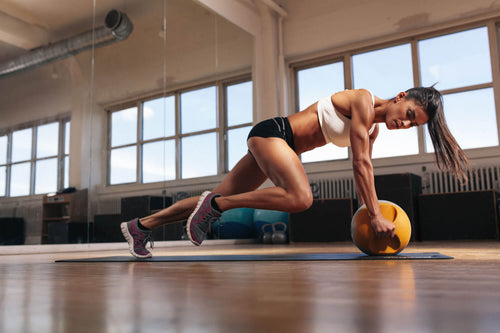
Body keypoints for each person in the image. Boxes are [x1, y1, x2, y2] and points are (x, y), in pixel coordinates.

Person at [121, 87, 470, 258]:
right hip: (274, 134)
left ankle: (140, 228)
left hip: (280, 147)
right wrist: (375, 215)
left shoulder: (372, 130)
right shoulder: (364, 102)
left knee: (210, 197)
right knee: (301, 198)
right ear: (401, 97)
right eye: (410, 114)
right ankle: (218, 207)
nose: (405, 123)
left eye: (413, 126)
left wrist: (372, 211)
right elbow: (360, 164)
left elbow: (365, 168)